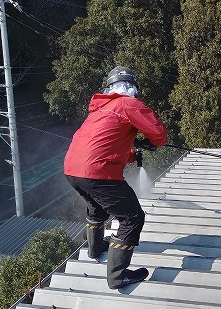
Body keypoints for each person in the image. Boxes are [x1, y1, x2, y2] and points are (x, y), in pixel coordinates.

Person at [64, 66, 168, 289]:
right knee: (132, 218)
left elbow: (103, 147)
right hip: (98, 173)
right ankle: (117, 276)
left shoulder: (99, 110)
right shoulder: (129, 104)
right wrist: (149, 142)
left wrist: (133, 151)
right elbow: (159, 135)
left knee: (96, 208)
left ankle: (95, 248)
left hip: (73, 171)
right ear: (133, 88)